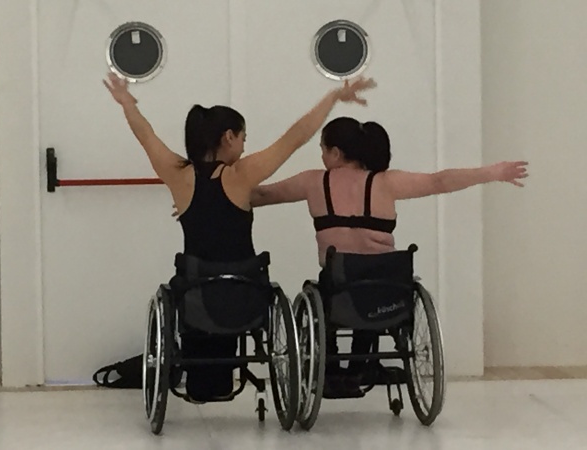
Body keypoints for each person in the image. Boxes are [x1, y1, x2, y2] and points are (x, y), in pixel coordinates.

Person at [103, 74, 377, 401]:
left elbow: (145, 134)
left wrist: (127, 103)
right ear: (228, 137)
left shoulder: (178, 175)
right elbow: (295, 137)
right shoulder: (241, 175)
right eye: (243, 137)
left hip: (197, 295)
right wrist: (332, 97)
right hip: (246, 293)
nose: (245, 144)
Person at [251, 116, 529, 396]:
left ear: (335, 153)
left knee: (327, 290)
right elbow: (440, 181)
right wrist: (492, 173)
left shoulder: (313, 182)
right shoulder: (386, 182)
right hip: (388, 286)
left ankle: (331, 369)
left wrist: (225, 185)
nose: (322, 156)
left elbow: (262, 195)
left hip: (339, 284)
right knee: (371, 283)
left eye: (323, 149)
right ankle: (363, 366)